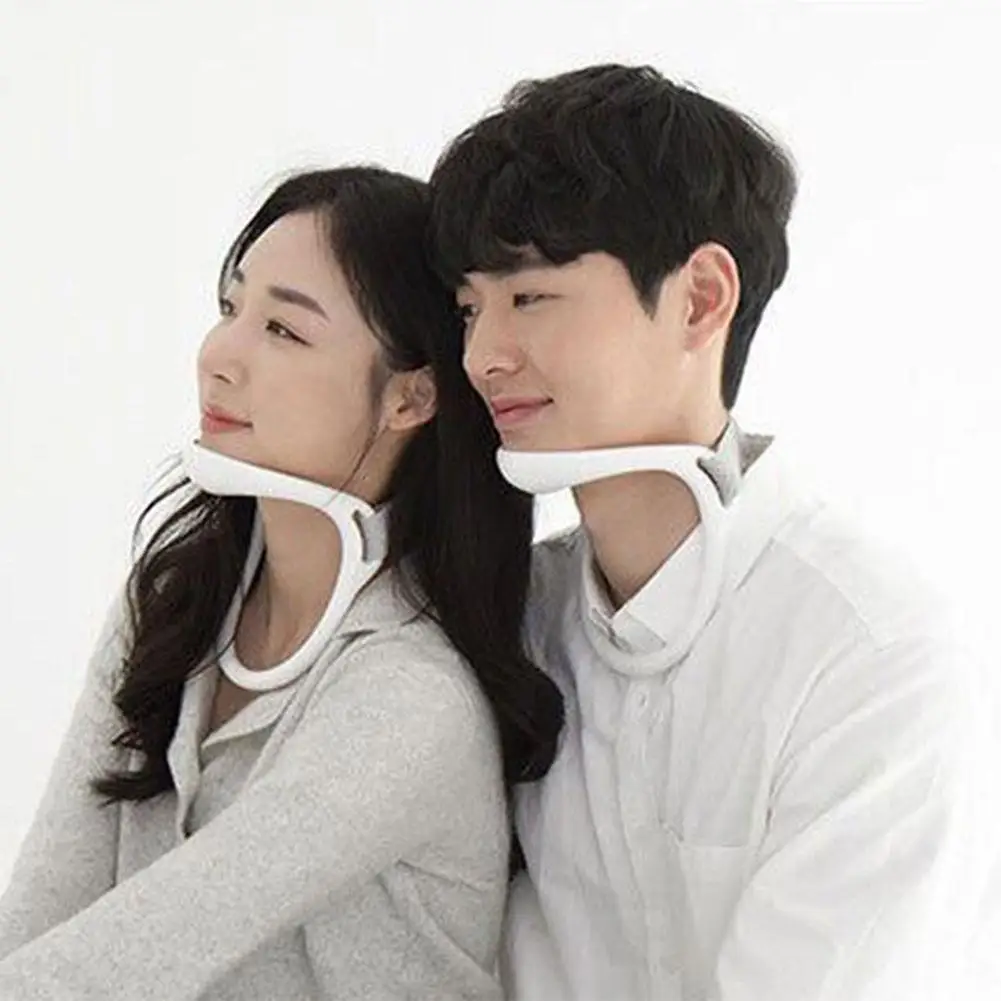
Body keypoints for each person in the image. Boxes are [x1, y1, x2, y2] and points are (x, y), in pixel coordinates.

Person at [428, 64, 990, 1000]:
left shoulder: (868, 653)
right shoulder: (514, 620)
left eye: (528, 297)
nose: (482, 356)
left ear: (698, 299)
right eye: (467, 309)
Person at [0, 166, 563, 999]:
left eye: (282, 330)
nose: (219, 357)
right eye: (230, 309)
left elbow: (132, 956)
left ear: (411, 397)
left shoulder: (410, 694)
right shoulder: (173, 601)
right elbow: (44, 921)